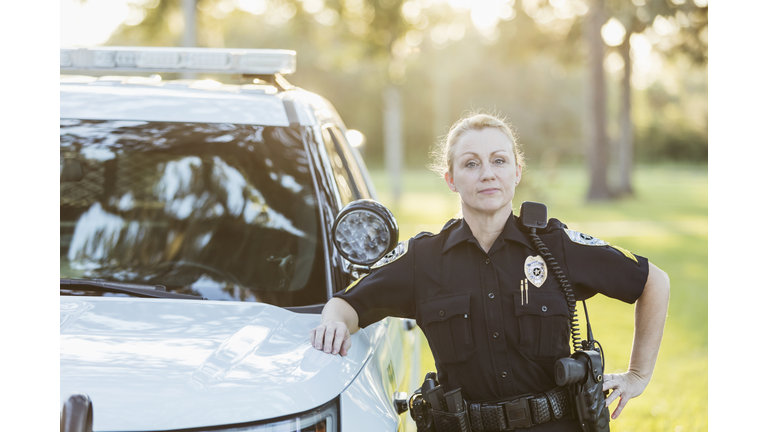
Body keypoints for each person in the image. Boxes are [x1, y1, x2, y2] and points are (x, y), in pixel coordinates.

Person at [309, 113, 670, 431]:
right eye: (471, 164)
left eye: (498, 161)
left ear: (516, 172)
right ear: (450, 179)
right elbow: (347, 304)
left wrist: (637, 375)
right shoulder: (424, 259)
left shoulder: (556, 245)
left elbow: (653, 281)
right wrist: (334, 323)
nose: (487, 174)